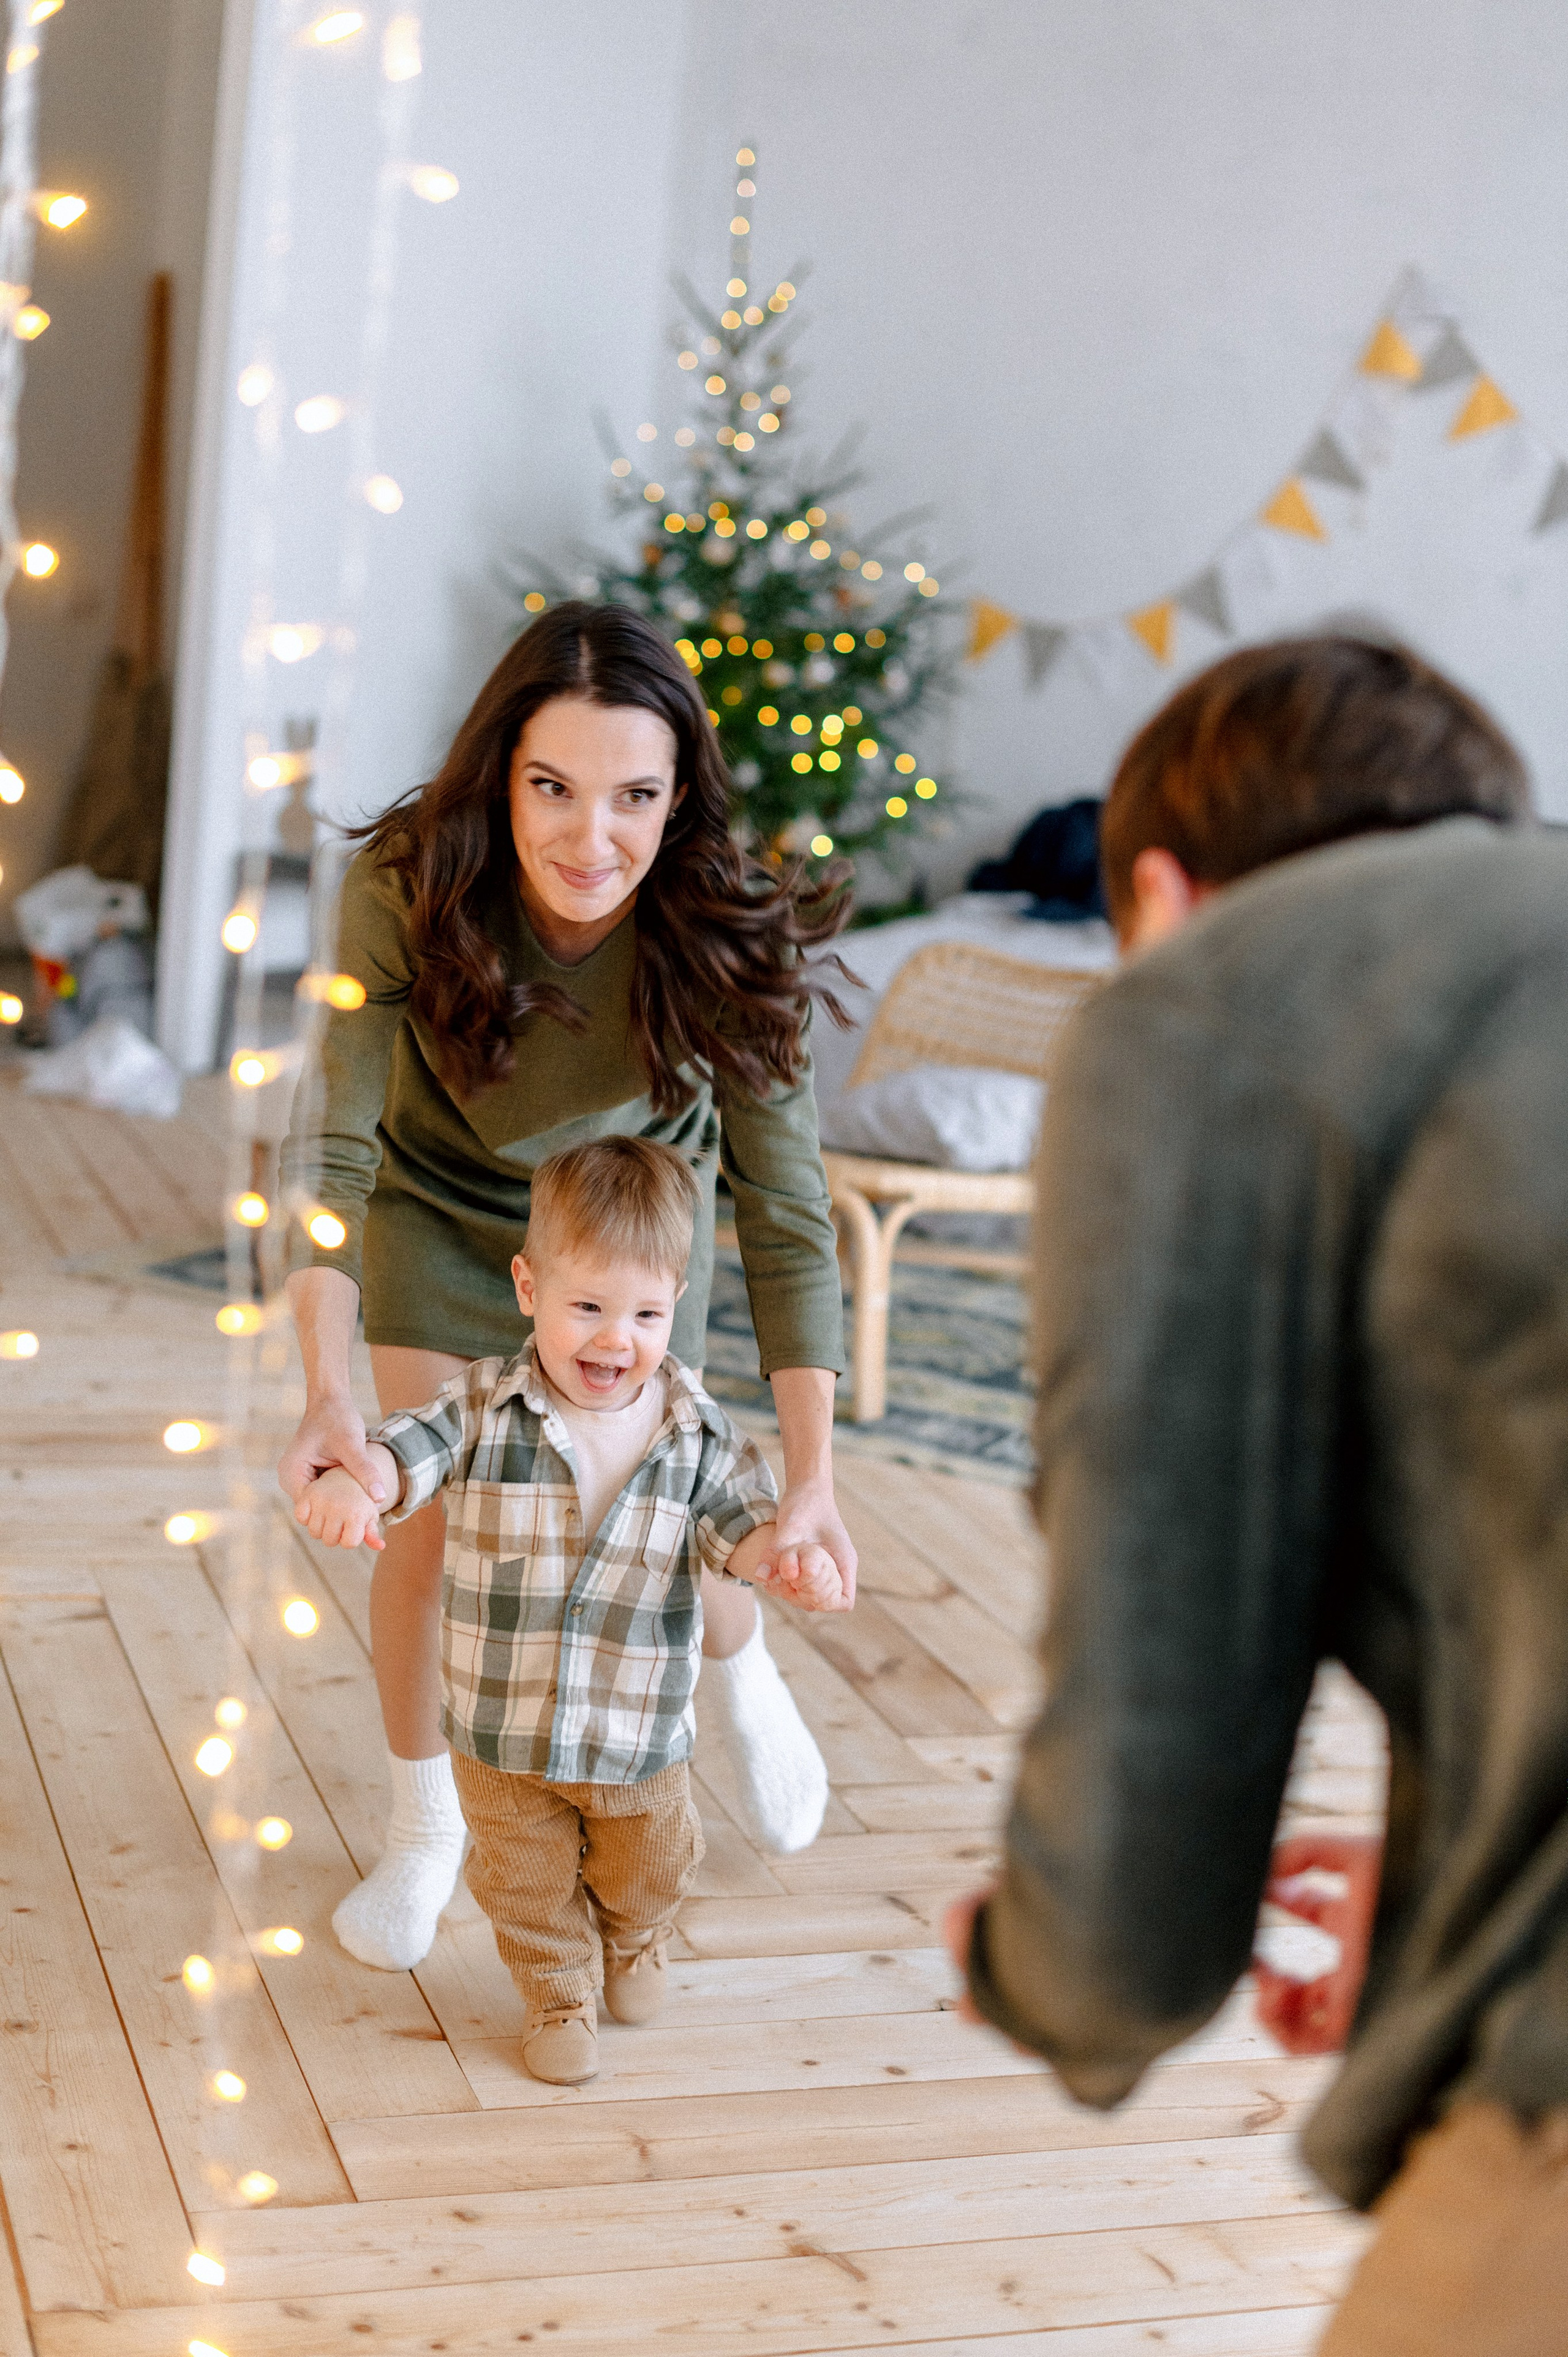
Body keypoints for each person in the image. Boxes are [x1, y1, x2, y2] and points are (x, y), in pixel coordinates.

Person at [947, 635, 1568, 2351]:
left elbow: (1168, 1676)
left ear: (1157, 893)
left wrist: (1049, 1972)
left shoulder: (1209, 999)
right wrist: (1448, 1889)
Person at [278, 602, 858, 1974]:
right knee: (430, 1517)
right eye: (552, 787)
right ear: (502, 775)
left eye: (633, 797)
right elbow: (332, 1146)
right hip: (443, 1208)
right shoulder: (404, 885)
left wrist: (813, 1480)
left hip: (631, 1227)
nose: (591, 837)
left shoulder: (728, 926)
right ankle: (428, 1828)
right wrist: (325, 1393)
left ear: (680, 797)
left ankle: (744, 1677)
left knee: (666, 1513)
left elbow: (785, 1214)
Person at [295, 1136, 847, 2085]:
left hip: (639, 1736)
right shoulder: (481, 1407)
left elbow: (740, 1530)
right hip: (504, 1734)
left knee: (652, 1868)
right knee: (525, 1884)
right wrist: (360, 1484)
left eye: (645, 1314)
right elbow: (405, 1451)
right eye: (587, 1307)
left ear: (677, 1302)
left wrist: (788, 1562)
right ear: (528, 1288)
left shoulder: (697, 1431)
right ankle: (557, 1995)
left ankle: (636, 1940)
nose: (614, 1340)